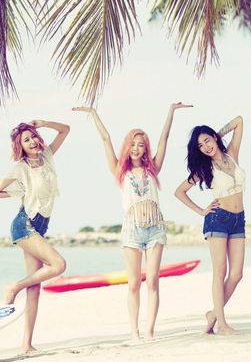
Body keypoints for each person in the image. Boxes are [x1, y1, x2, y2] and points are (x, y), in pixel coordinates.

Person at [74, 103, 191, 341]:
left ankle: (150, 331)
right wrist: (93, 113)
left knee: (153, 281)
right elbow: (106, 139)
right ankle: (134, 332)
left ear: (145, 148)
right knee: (134, 283)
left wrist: (171, 111)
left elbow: (164, 138)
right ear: (127, 147)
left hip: (156, 229)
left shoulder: (153, 169)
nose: (137, 148)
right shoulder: (120, 170)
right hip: (132, 231)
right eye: (133, 144)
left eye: (141, 145)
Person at [0, 119, 70, 353]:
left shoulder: (47, 156)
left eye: (34, 136)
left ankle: (26, 344)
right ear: (20, 146)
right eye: (26, 140)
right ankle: (14, 287)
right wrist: (18, 192)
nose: (33, 141)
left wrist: (43, 123)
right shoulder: (20, 168)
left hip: (40, 227)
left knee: (34, 288)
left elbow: (65, 130)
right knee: (59, 265)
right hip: (25, 226)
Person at [175, 116, 245, 335]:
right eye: (200, 145)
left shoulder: (231, 153)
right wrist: (201, 211)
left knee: (236, 274)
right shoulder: (204, 168)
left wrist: (218, 136)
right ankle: (222, 324)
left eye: (207, 140)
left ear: (214, 137)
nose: (205, 147)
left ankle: (213, 314)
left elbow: (239, 121)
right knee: (220, 271)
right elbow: (179, 192)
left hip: (239, 219)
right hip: (218, 218)